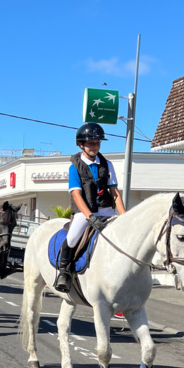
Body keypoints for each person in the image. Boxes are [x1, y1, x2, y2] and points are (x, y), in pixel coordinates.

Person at [52, 123, 127, 293]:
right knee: (71, 238)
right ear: (81, 144)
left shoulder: (107, 164)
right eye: (91, 143)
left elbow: (114, 192)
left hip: (106, 209)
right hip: (85, 212)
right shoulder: (74, 168)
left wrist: (124, 216)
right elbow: (77, 196)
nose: (95, 146)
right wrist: (90, 217)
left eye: (97, 143)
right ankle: (64, 272)